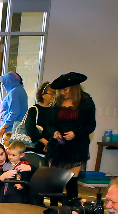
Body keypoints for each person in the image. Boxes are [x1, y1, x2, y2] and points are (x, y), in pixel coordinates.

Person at [46, 72, 96, 205]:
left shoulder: (86, 101)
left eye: (65, 89)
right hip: (57, 147)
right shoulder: (57, 102)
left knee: (71, 182)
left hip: (76, 148)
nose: (62, 93)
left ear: (74, 87)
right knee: (55, 180)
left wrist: (76, 133)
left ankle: (71, 212)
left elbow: (90, 125)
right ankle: (53, 209)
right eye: (61, 90)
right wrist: (54, 132)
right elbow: (49, 124)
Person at [25, 81, 56, 159]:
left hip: (48, 149)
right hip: (33, 148)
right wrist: (45, 142)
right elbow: (30, 128)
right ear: (43, 94)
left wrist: (50, 144)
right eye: (51, 93)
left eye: (54, 94)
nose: (53, 96)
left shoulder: (54, 110)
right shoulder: (34, 109)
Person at [0, 72, 28, 139]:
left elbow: (14, 112)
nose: (4, 85)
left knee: (5, 148)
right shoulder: (21, 90)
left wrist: (4, 127)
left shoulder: (14, 92)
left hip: (9, 130)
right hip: (14, 128)